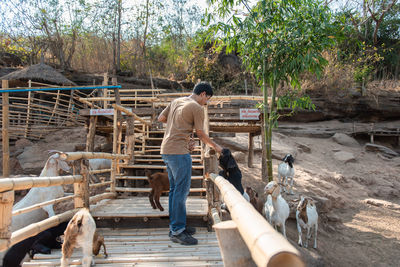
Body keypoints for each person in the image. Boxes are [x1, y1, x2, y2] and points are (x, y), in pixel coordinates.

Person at [158, 81, 223, 245]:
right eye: (207, 99)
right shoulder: (197, 108)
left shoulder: (177, 101)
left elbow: (161, 118)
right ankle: (177, 231)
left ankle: (176, 226)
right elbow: (201, 134)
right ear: (203, 94)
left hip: (166, 149)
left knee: (174, 190)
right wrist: (216, 146)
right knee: (181, 192)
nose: (206, 103)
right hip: (179, 153)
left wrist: (181, 131)